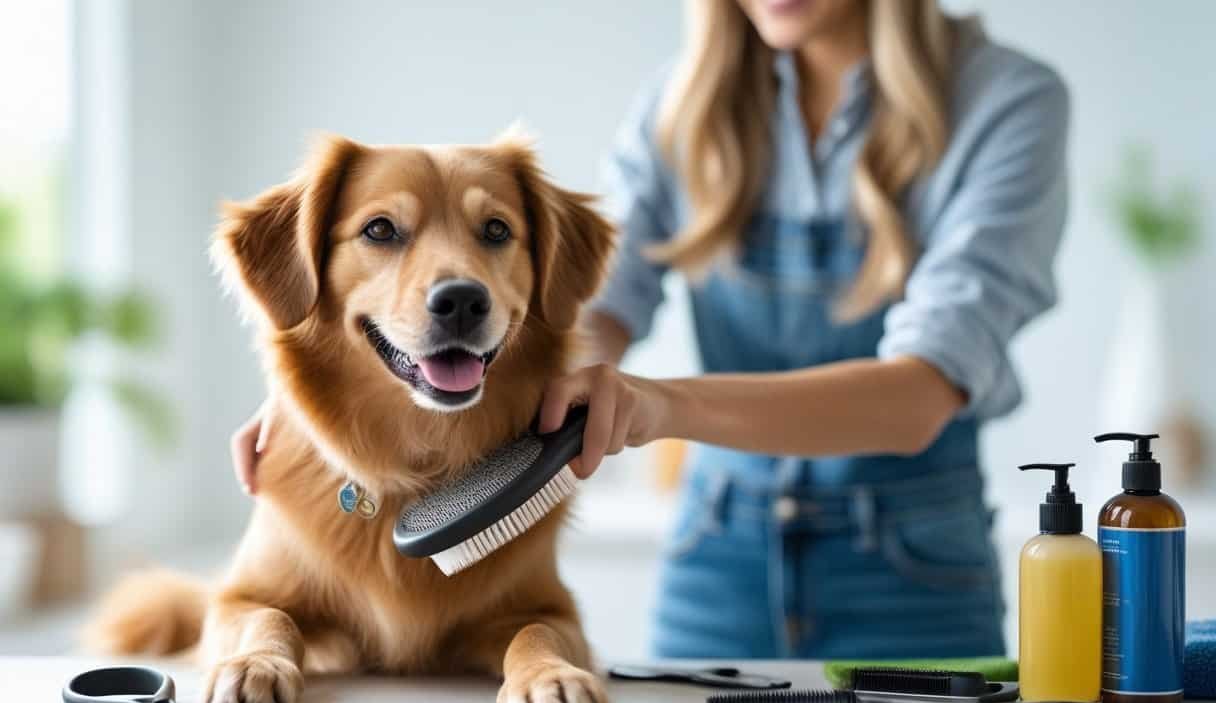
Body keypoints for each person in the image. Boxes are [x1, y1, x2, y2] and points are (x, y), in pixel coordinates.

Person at [233, 0, 1069, 661]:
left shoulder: (1005, 104)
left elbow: (918, 397)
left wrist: (655, 405)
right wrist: (339, 404)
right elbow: (580, 321)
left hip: (915, 577)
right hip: (718, 563)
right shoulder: (682, 108)